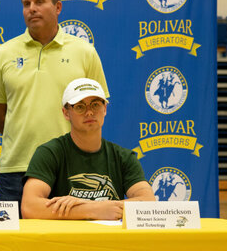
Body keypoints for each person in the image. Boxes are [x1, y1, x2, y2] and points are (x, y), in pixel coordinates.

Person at [0, 0, 109, 203]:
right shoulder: (2, 54)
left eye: (39, 2)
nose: (32, 9)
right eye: (26, 4)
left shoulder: (84, 52)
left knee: (72, 239)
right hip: (16, 169)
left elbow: (97, 108)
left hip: (71, 166)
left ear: (58, 7)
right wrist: (22, 133)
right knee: (13, 239)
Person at [21, 78, 154, 220]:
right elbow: (29, 207)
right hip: (66, 240)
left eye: (95, 105)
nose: (89, 112)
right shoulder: (50, 153)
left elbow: (148, 202)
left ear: (105, 109)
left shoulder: (123, 157)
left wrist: (90, 205)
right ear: (66, 113)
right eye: (80, 107)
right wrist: (92, 209)